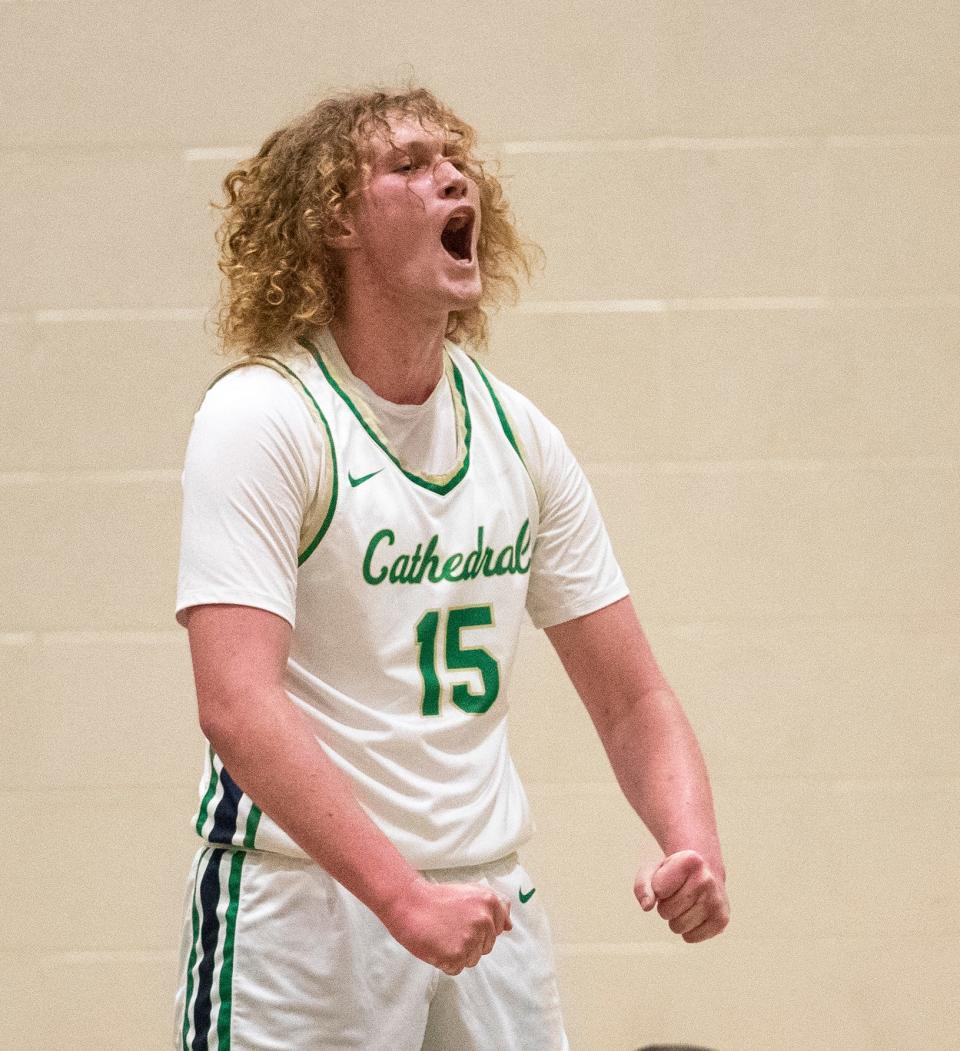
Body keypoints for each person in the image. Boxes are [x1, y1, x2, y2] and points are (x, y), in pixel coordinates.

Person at [173, 82, 729, 1051]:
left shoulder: (518, 432)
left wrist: (692, 840)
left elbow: (633, 696)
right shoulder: (264, 418)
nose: (452, 177)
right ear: (335, 218)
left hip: (487, 901)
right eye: (411, 164)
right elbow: (236, 702)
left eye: (456, 160)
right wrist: (399, 896)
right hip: (307, 905)